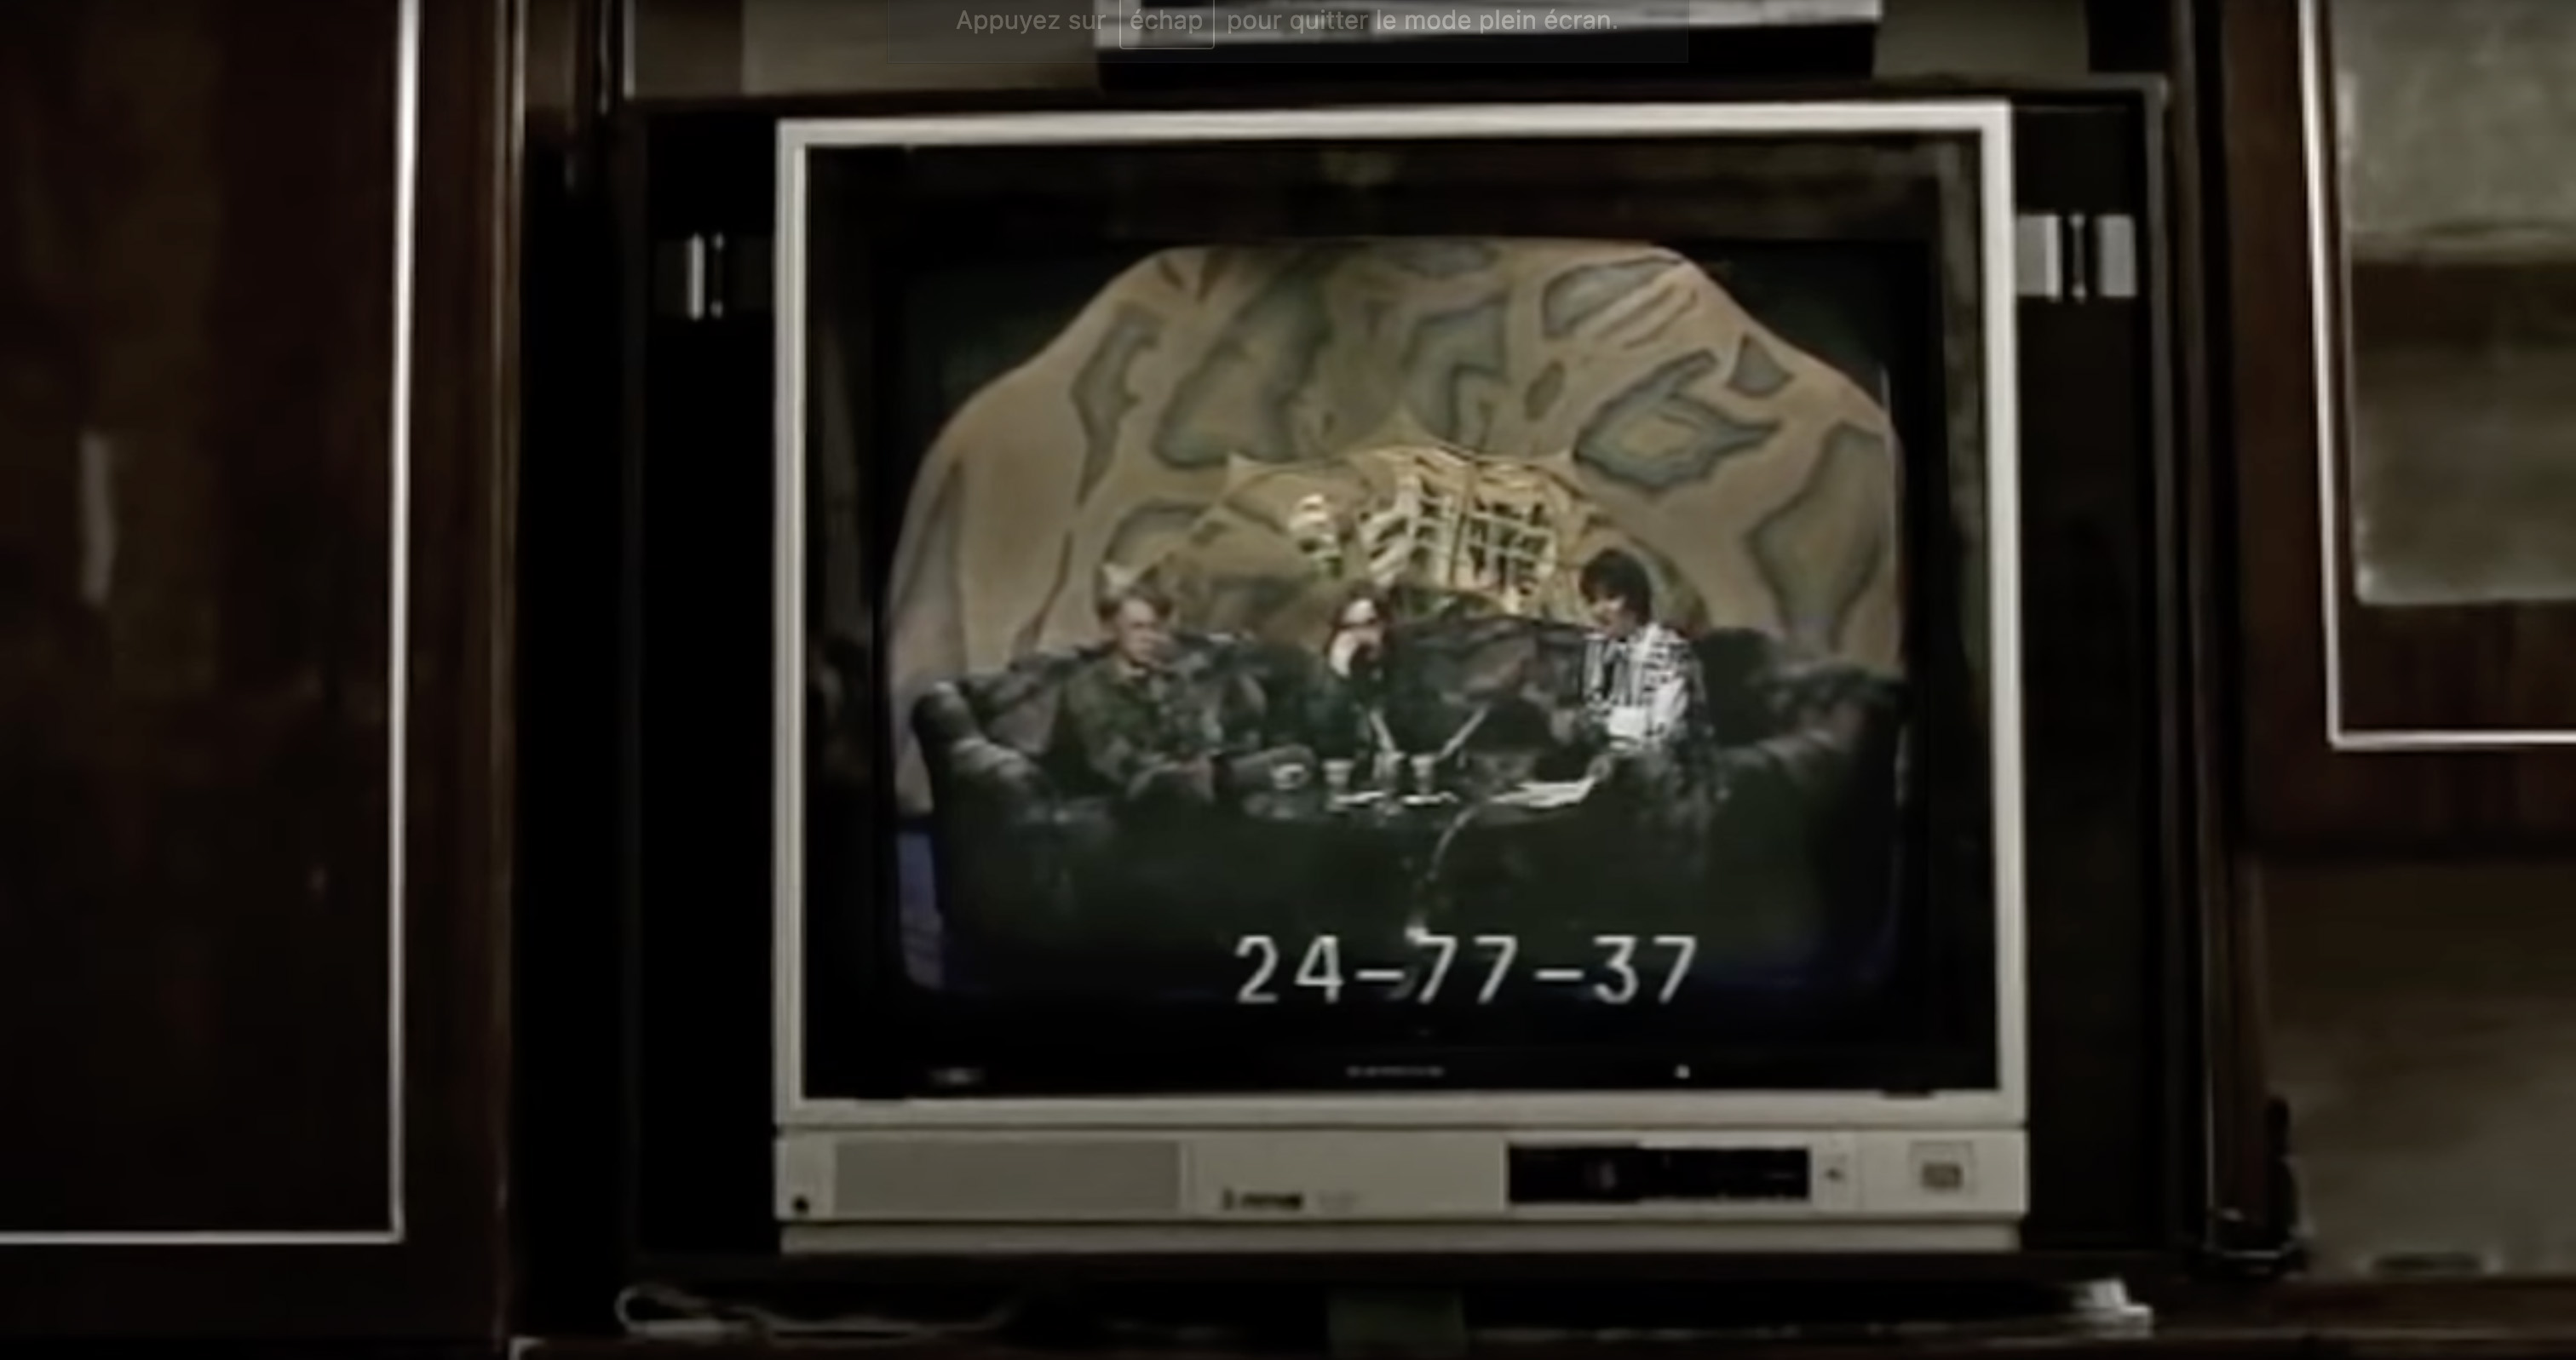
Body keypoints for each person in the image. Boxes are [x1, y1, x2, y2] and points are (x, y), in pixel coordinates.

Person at [1058, 583, 1228, 805]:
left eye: (1154, 628)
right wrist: (1174, 771)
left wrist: (1206, 760)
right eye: (1137, 628)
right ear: (1111, 630)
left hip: (1183, 783)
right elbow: (1109, 757)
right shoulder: (1087, 685)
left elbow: (1201, 733)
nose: (1149, 638)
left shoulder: (1171, 679)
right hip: (1120, 797)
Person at [1576, 548, 1701, 752]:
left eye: (1611, 597)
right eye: (1592, 601)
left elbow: (1664, 733)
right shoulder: (1597, 649)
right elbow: (1593, 711)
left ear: (1635, 599)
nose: (1599, 611)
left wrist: (1615, 725)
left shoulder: (1668, 649)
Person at [1303, 583, 1396, 760]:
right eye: (1350, 627)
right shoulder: (1323, 673)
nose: (1362, 634)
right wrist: (1339, 670)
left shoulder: (1399, 661)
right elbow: (1323, 730)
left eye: (1371, 623)